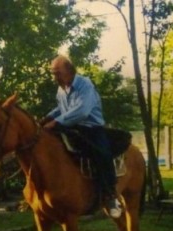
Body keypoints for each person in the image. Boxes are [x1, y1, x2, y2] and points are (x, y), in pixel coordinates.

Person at [41, 55, 122, 218]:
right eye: (53, 73)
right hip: (70, 127)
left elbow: (82, 111)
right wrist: (47, 118)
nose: (54, 77)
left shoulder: (85, 85)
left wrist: (56, 122)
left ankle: (110, 194)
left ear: (69, 70)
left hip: (91, 128)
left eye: (57, 73)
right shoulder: (61, 88)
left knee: (102, 153)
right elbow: (62, 108)